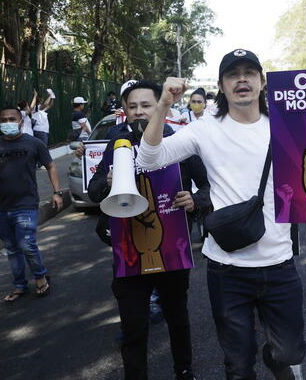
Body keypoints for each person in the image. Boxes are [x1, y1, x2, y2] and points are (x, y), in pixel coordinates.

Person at [137, 48, 306, 379]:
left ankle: (276, 360)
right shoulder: (204, 128)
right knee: (238, 366)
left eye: (249, 72)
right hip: (226, 269)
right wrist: (163, 106)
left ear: (261, 82)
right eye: (233, 74)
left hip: (280, 264)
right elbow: (148, 160)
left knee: (289, 352)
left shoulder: (289, 126)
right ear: (222, 85)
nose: (241, 79)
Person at [88, 80, 211, 380]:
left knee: (178, 320)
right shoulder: (115, 145)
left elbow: (209, 187)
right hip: (129, 253)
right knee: (133, 327)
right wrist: (107, 181)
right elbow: (93, 192)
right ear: (125, 112)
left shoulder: (178, 140)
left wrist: (194, 200)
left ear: (160, 107)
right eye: (133, 107)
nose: (139, 112)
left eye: (146, 105)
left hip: (172, 252)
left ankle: (184, 371)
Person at [0, 107, 64, 302]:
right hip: (3, 206)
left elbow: (50, 165)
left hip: (27, 203)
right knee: (11, 248)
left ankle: (41, 276)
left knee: (27, 244)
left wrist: (57, 192)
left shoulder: (34, 143)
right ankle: (19, 285)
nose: (7, 122)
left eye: (11, 119)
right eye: (3, 119)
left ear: (20, 121)